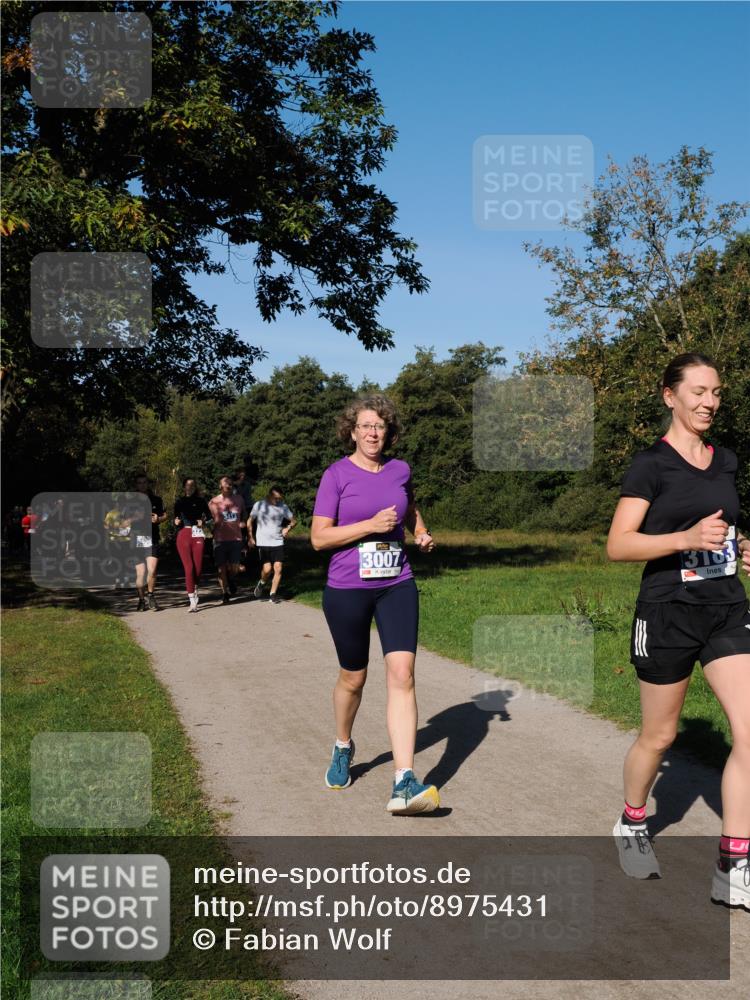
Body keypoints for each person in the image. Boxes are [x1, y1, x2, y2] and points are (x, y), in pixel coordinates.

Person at [607, 353, 750, 911]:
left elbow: (724, 527)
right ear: (670, 396)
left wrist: (738, 546)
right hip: (666, 612)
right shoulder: (651, 465)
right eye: (697, 391)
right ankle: (632, 820)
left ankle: (734, 864)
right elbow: (619, 545)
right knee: (659, 737)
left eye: (715, 392)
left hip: (725, 608)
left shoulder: (727, 460)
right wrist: (682, 537)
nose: (709, 402)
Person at [311, 394, 439, 815]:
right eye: (365, 425)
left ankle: (404, 779)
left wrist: (419, 532)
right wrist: (368, 525)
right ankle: (343, 745)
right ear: (352, 431)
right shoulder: (336, 475)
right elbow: (318, 538)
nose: (372, 433)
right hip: (347, 587)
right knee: (354, 676)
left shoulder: (400, 470)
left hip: (396, 583)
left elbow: (409, 508)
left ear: (389, 433)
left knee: (402, 673)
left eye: (380, 427)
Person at [249, 487, 297, 604]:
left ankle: (273, 594)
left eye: (279, 498)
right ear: (269, 495)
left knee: (278, 568)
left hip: (278, 541)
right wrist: (250, 537)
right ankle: (262, 583)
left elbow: (294, 521)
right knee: (267, 569)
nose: (277, 501)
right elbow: (250, 520)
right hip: (263, 542)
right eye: (275, 498)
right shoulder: (259, 505)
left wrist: (288, 528)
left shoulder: (283, 507)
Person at [174, 477, 212, 612]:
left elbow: (209, 516)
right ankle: (192, 600)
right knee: (189, 567)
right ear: (184, 487)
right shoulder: (179, 502)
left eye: (193, 485)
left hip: (197, 534)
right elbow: (176, 518)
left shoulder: (201, 501)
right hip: (184, 534)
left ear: (195, 487)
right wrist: (176, 522)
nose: (190, 487)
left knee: (198, 568)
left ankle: (195, 589)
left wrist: (204, 521)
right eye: (188, 485)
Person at [209, 474, 247, 605]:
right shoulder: (213, 502)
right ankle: (225, 593)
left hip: (236, 538)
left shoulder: (239, 499)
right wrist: (210, 528)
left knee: (235, 568)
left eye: (230, 483)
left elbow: (244, 514)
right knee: (221, 568)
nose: (228, 485)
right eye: (225, 483)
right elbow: (208, 520)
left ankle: (231, 580)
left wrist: (243, 521)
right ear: (220, 486)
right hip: (219, 539)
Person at [133, 473, 166, 612]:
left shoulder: (156, 500)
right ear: (136, 485)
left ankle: (151, 596)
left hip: (152, 537)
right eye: (139, 483)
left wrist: (158, 519)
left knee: (152, 570)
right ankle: (141, 600)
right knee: (140, 573)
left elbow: (165, 515)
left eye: (144, 482)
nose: (142, 485)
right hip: (137, 538)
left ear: (148, 484)